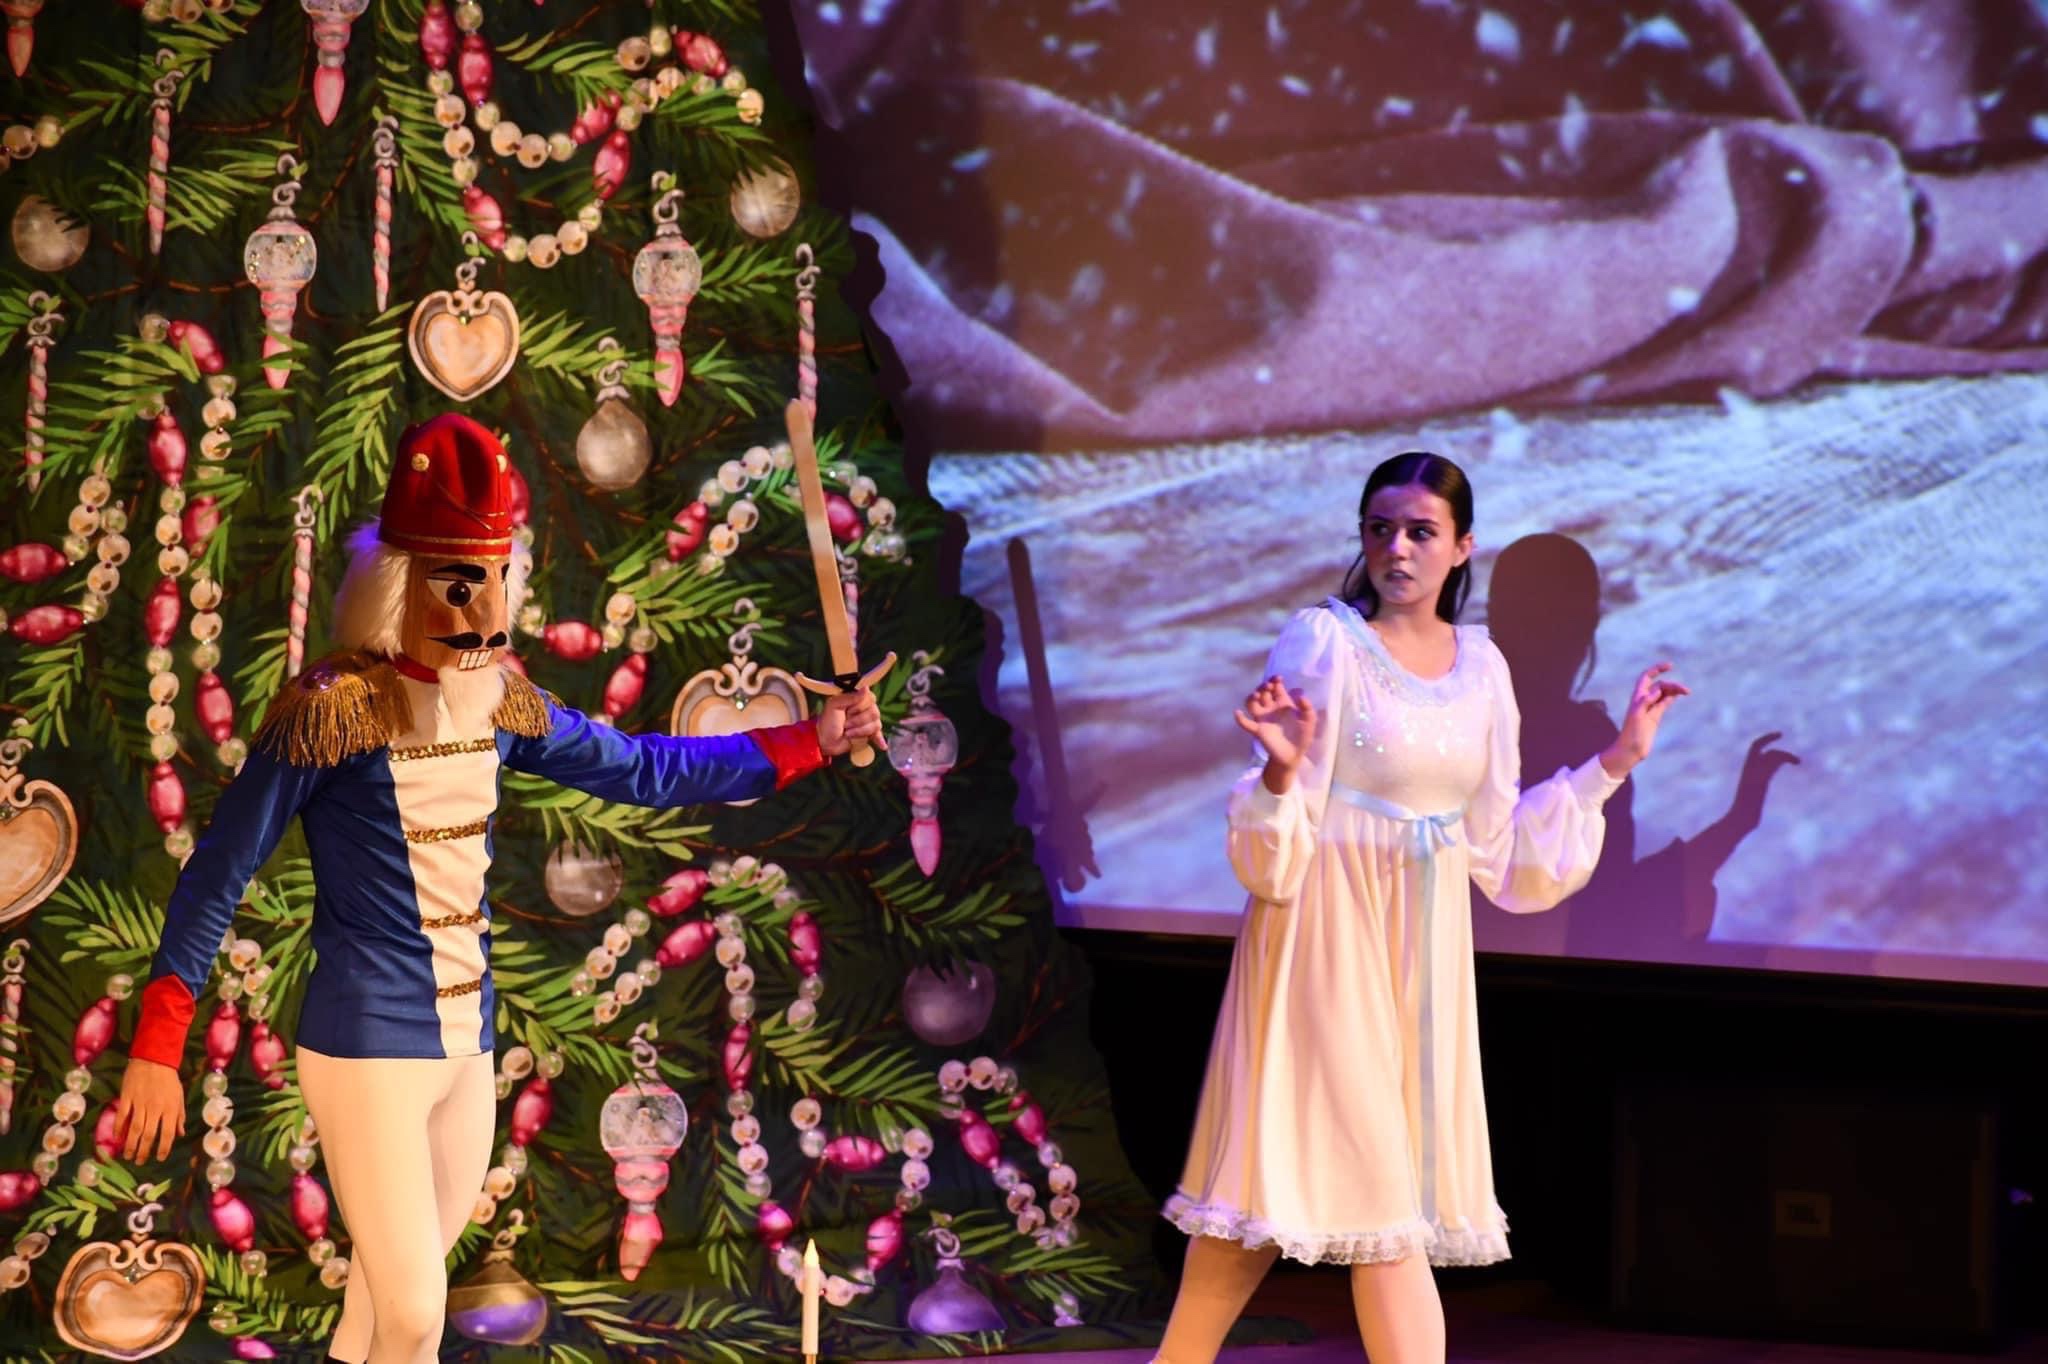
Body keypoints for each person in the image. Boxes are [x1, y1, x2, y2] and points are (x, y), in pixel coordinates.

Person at [110, 414, 883, 1364]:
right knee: (413, 1318)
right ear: (400, 585)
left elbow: (644, 769)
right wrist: (158, 1043)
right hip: (365, 1048)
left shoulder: (501, 702)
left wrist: (811, 739)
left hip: (467, 1047)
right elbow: (220, 869)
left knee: (383, 1310)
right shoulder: (331, 709)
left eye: (495, 581)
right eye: (458, 585)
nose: (486, 616)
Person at [1155, 452, 1687, 1364]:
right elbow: (1271, 856)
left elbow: (1498, 848)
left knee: (1294, 1193)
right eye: (1380, 529)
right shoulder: (1326, 642)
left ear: (1461, 547)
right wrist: (1279, 770)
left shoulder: (1482, 667)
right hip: (1324, 937)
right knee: (1372, 1200)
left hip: (1421, 952)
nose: (1397, 549)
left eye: (1419, 531)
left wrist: (1618, 760)